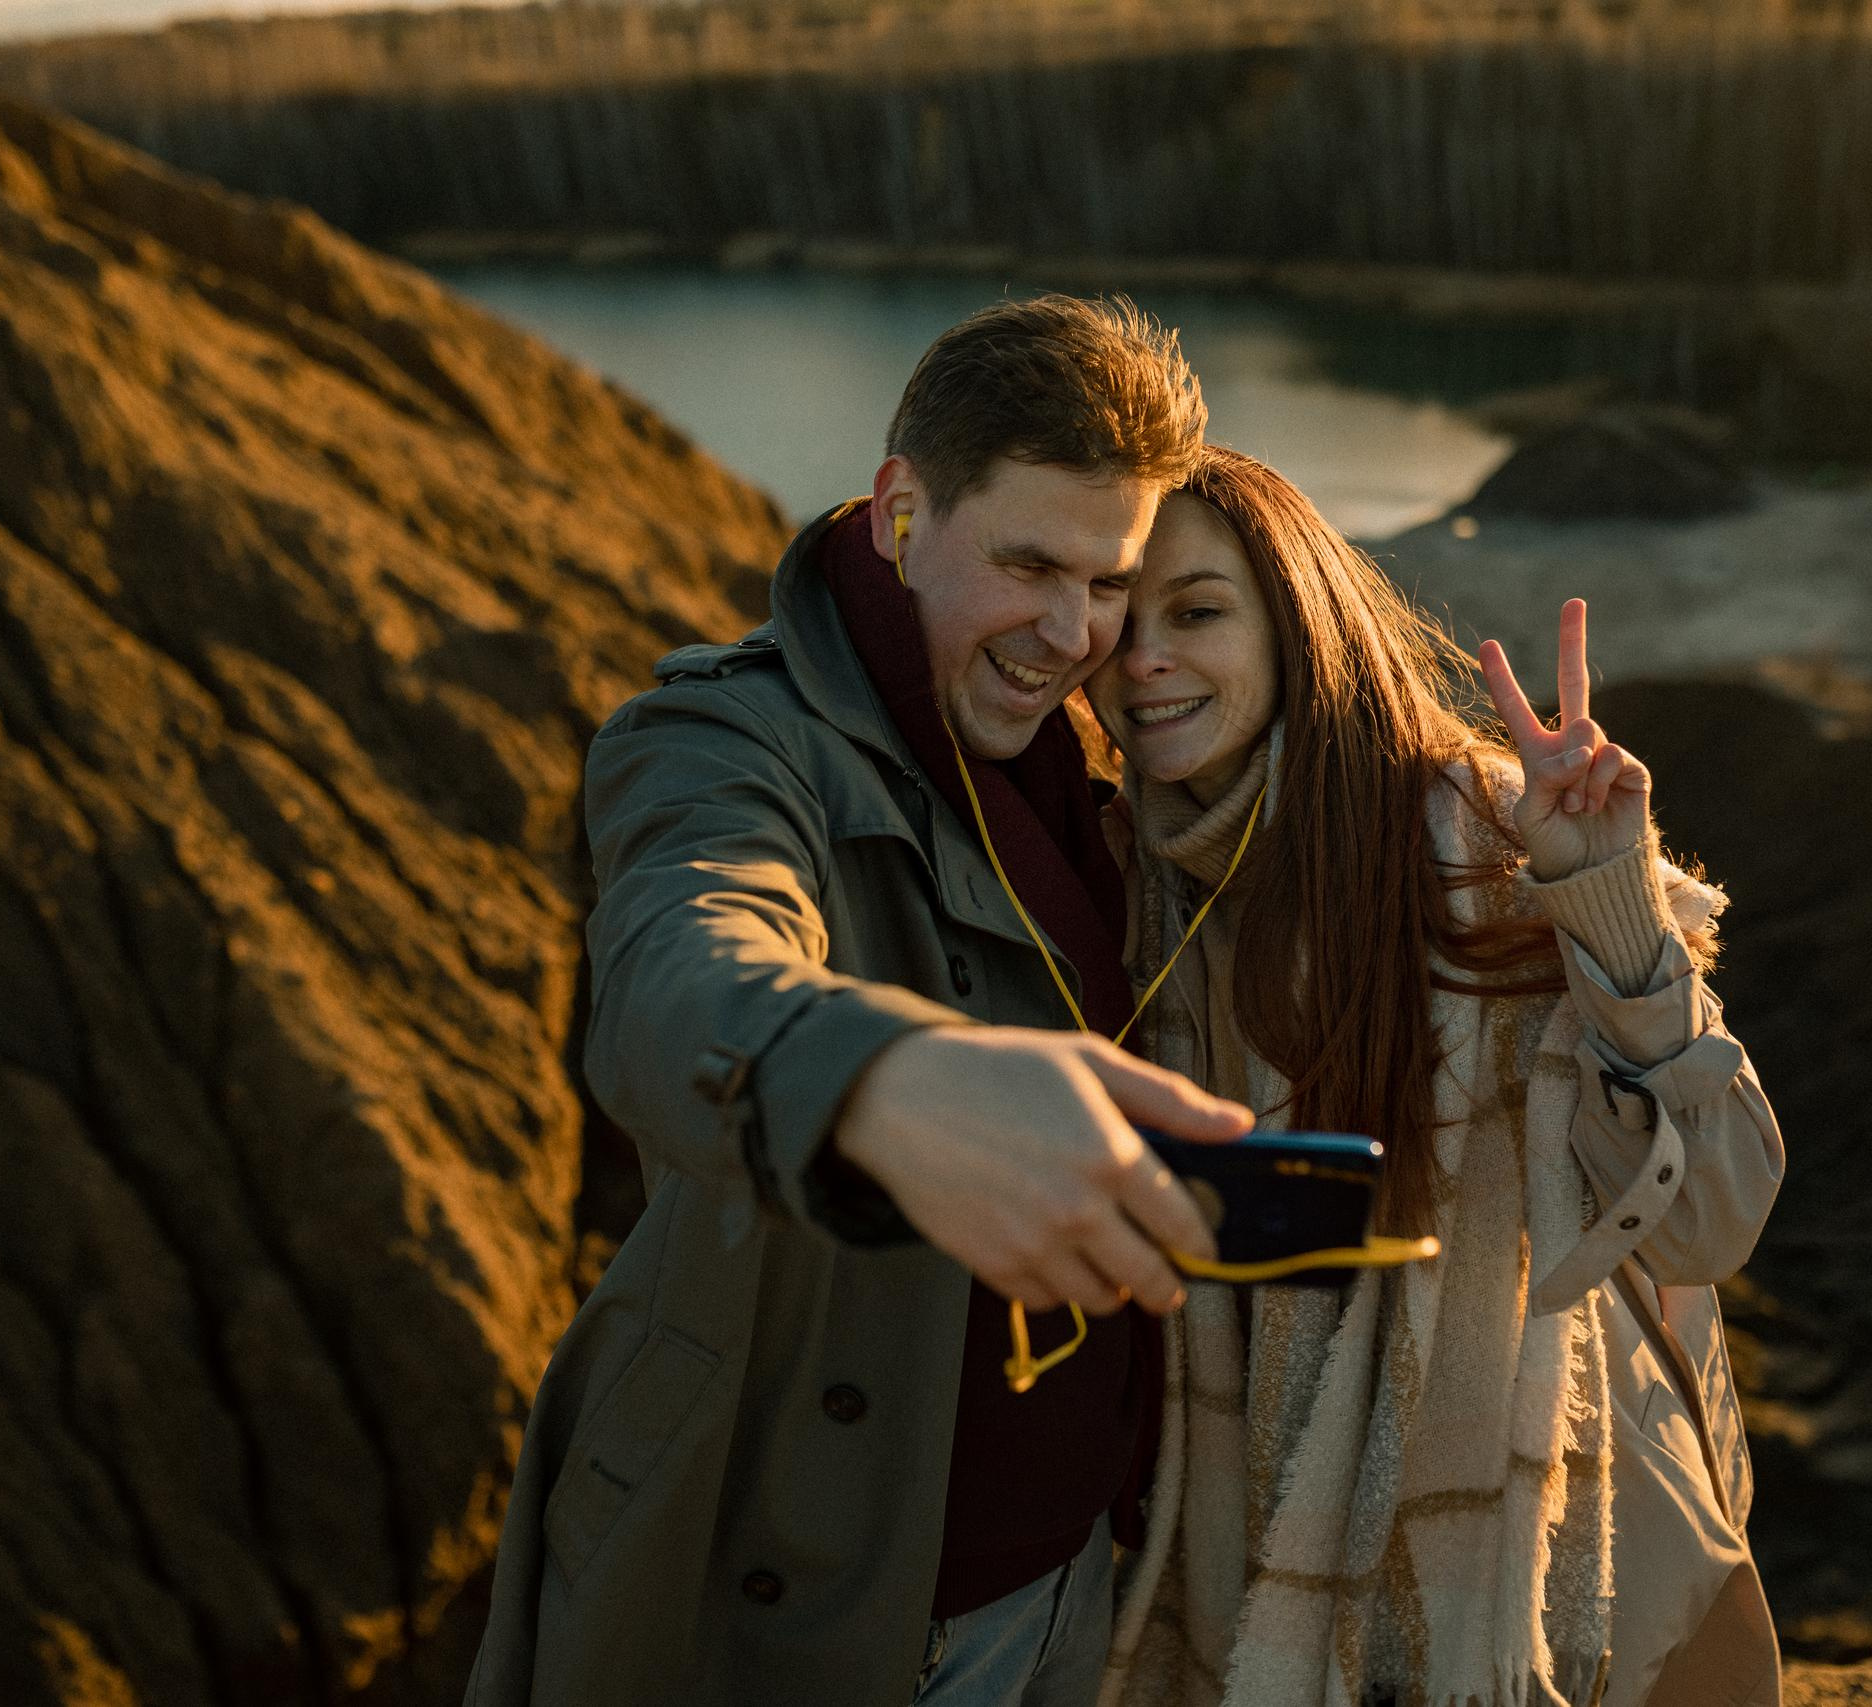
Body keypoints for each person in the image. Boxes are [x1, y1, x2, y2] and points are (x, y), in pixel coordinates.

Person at [461, 295, 1263, 1707]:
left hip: (1081, 1578)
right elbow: (680, 960)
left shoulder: (1089, 769)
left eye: (1110, 578)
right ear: (901, 510)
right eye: (1027, 563)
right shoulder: (719, 737)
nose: (1073, 633)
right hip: (833, 1611)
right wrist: (884, 1080)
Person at [1084, 450, 1786, 1707]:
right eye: (1119, 620)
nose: (1142, 660)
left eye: (1194, 611)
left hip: (1571, 1582)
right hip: (1259, 1532)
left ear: (1294, 618)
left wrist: (1609, 905)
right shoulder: (1133, 891)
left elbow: (1711, 1219)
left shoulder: (1483, 841)